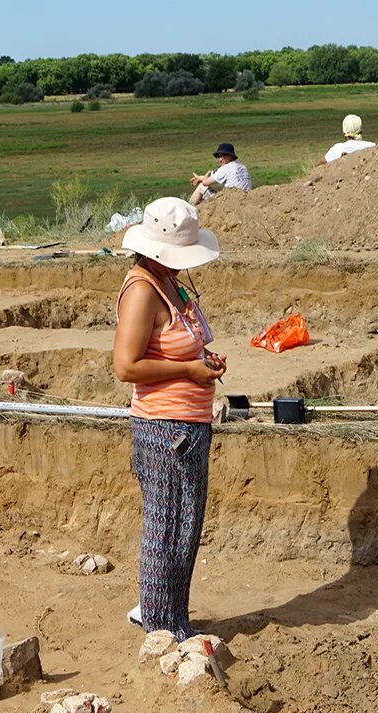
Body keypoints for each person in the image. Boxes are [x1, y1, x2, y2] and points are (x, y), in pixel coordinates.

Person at [114, 197, 226, 641]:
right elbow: (126, 366)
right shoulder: (142, 289)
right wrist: (187, 370)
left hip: (188, 425)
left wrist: (203, 360)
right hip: (165, 429)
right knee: (166, 529)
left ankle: (173, 619)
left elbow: (174, 343)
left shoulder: (170, 283)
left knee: (185, 528)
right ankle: (160, 630)